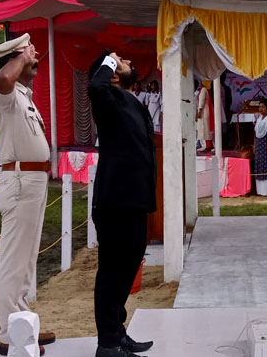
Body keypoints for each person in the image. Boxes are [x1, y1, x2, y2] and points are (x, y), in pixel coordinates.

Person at [0, 33, 56, 356]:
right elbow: (2, 78)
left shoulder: (23, 94)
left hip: (33, 179)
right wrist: (21, 59)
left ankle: (23, 322)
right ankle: (8, 333)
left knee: (27, 259)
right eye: (30, 52)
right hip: (19, 179)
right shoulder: (5, 91)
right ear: (15, 59)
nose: (36, 55)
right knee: (14, 260)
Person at [87, 50, 155, 357]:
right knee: (112, 272)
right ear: (112, 73)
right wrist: (109, 61)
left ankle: (118, 332)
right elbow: (95, 86)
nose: (126, 61)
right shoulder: (107, 99)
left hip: (137, 199)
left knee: (127, 270)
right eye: (119, 61)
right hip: (115, 200)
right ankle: (108, 344)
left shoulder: (130, 102)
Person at [253, 99, 267, 196]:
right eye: (259, 107)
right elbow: (255, 134)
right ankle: (260, 191)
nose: (261, 109)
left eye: (263, 107)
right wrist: (254, 146)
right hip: (259, 146)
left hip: (266, 145)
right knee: (259, 165)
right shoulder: (258, 119)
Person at [195, 80, 213, 151]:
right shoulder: (207, 90)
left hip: (203, 111)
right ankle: (208, 145)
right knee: (206, 129)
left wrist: (199, 111)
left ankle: (207, 146)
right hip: (206, 110)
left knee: (204, 129)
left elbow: (201, 101)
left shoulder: (203, 90)